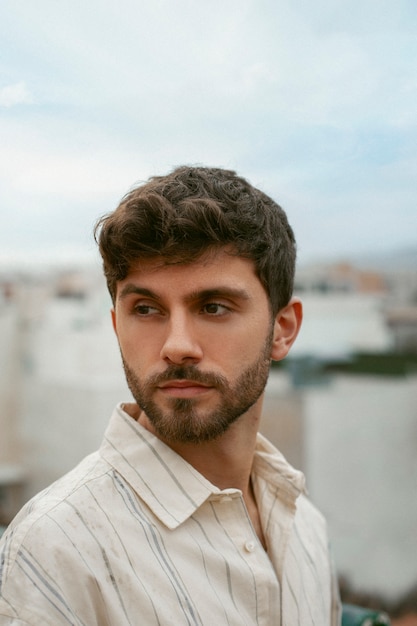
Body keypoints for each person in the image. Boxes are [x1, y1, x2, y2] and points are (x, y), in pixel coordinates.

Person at [0, 166, 341, 625]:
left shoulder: (306, 529)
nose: (177, 344)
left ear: (282, 330)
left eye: (213, 307)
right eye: (146, 309)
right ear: (117, 326)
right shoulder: (57, 551)